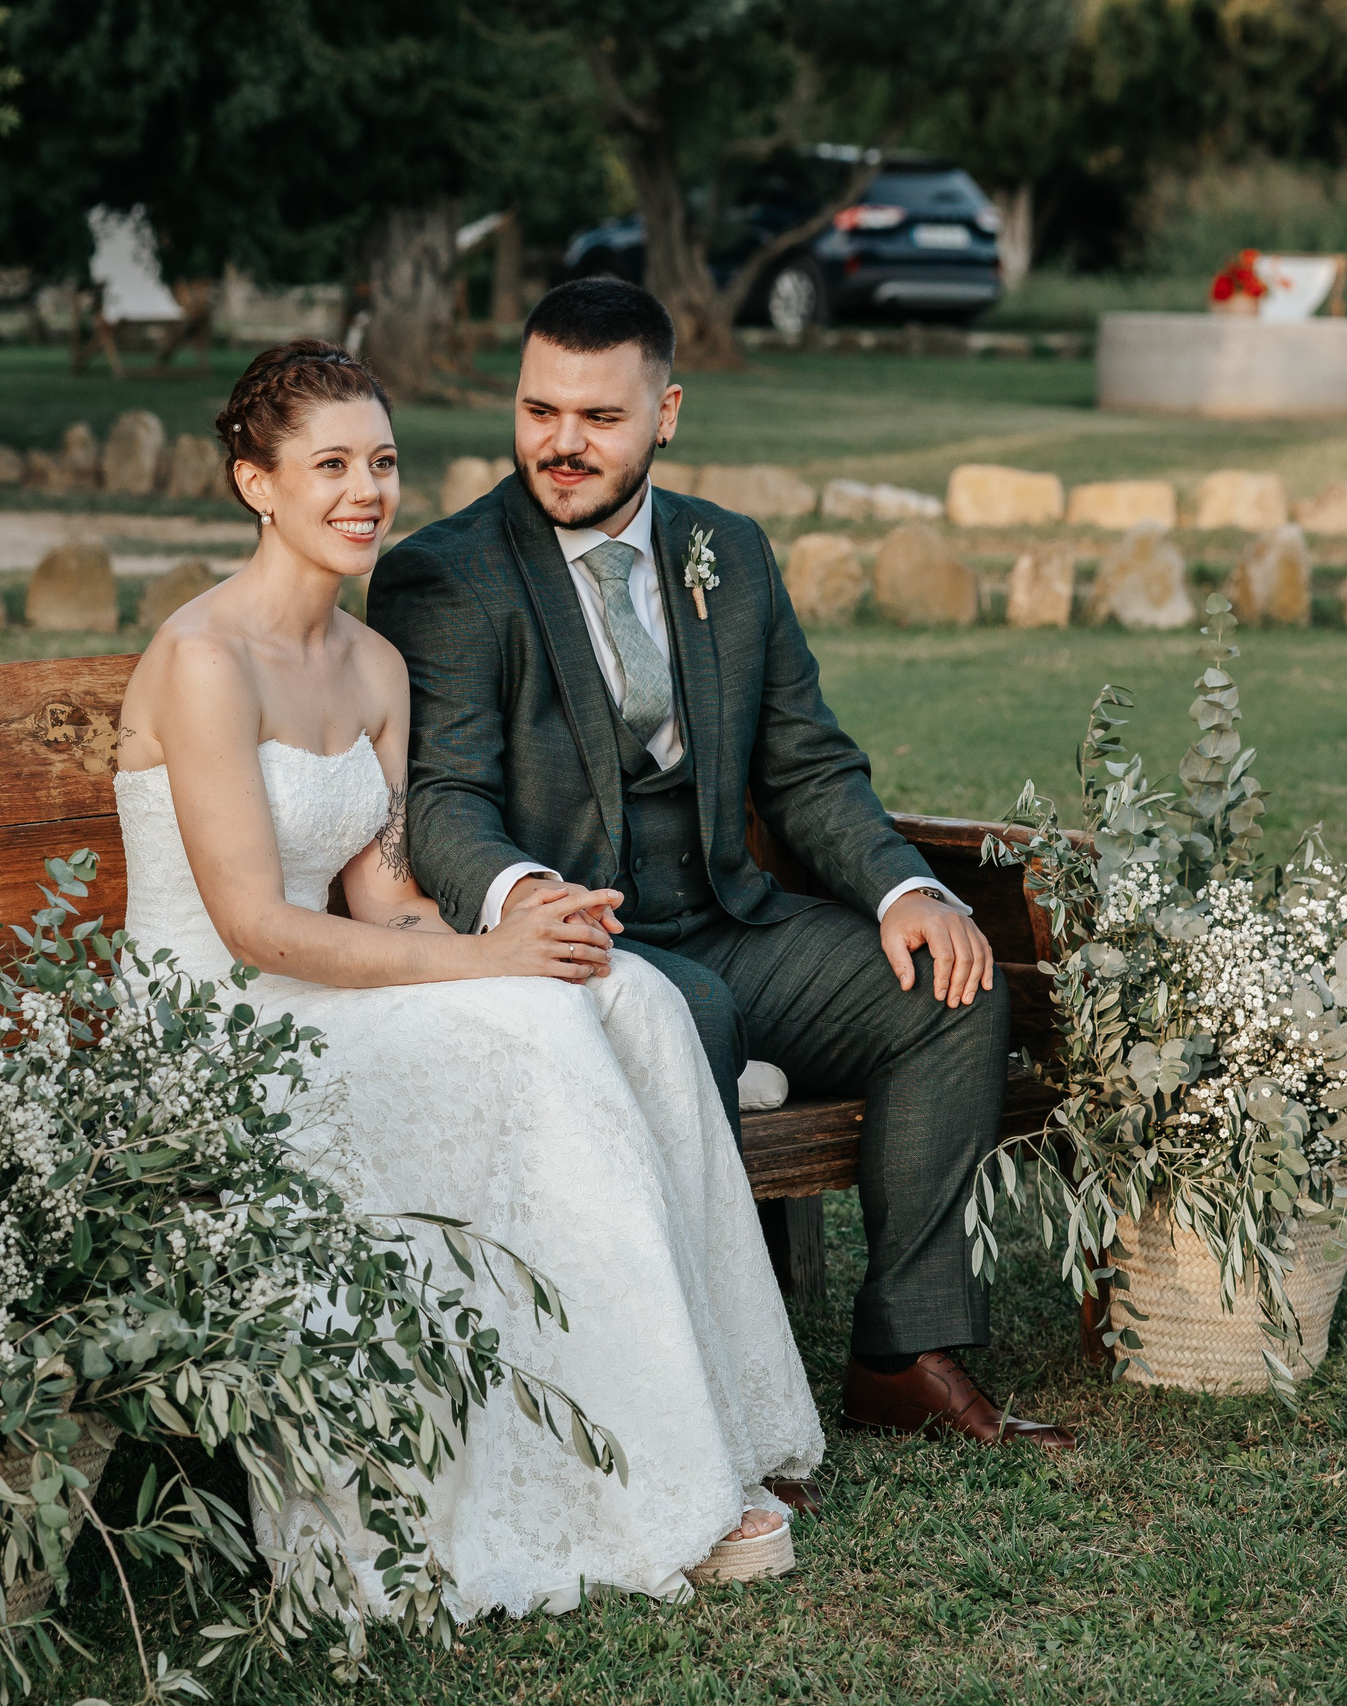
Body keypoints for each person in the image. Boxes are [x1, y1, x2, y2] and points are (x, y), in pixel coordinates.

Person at [108, 339, 823, 1619]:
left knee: (631, 1001)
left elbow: (381, 899)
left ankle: (724, 1422)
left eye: (380, 462)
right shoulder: (205, 659)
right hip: (214, 1017)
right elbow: (258, 926)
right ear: (252, 484)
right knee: (533, 1037)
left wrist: (533, 925)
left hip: (326, 979)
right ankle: (659, 1484)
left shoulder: (375, 667)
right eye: (327, 465)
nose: (364, 492)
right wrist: (487, 966)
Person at [366, 279, 1078, 1453]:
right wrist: (521, 897)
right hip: (579, 940)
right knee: (681, 1014)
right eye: (539, 410)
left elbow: (805, 766)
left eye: (598, 417)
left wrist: (905, 890)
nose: (561, 443)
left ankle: (901, 1353)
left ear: (666, 412)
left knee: (953, 988)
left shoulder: (725, 553)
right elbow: (442, 799)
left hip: (727, 915)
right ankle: (698, 1397)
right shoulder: (450, 573)